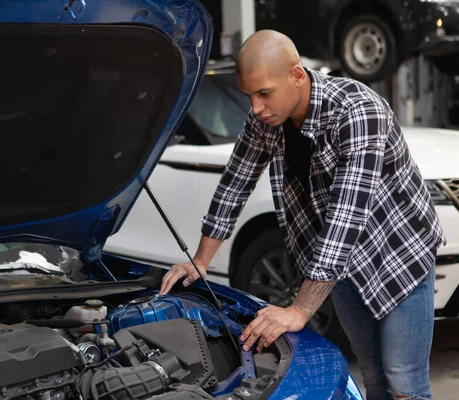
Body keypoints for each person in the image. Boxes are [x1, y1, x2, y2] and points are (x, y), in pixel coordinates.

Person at [158, 30, 445, 400]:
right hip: (339, 267)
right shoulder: (265, 120)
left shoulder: (358, 112)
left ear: (296, 75)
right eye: (249, 96)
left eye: (264, 93)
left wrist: (298, 310)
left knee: (402, 380)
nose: (256, 107)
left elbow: (345, 218)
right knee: (373, 374)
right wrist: (200, 261)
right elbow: (235, 184)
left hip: (397, 254)